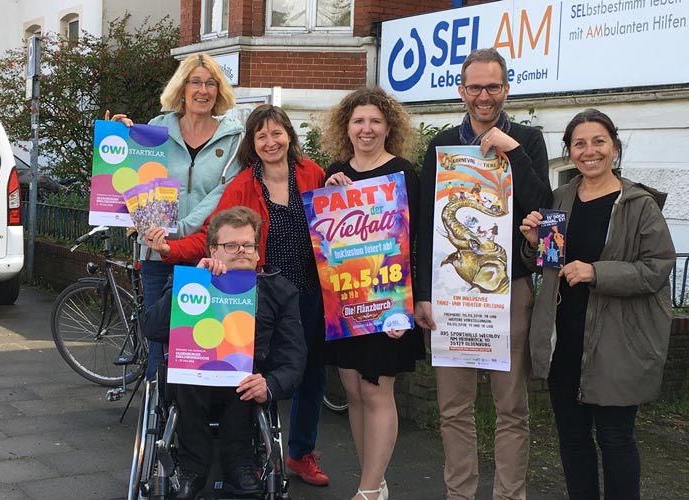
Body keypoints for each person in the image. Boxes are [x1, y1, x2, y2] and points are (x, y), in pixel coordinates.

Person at [144, 105, 331, 486]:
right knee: (221, 368)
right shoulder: (243, 185)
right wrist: (175, 256)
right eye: (261, 135)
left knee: (309, 371)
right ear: (252, 143)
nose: (270, 141)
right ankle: (203, 463)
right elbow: (216, 234)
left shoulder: (312, 173)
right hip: (247, 287)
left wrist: (341, 185)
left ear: (290, 136)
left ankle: (301, 453)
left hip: (300, 288)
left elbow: (334, 216)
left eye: (277, 133)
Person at [414, 48, 552, 500]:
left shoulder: (528, 139)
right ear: (461, 91)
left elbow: (543, 210)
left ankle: (510, 496)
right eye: (474, 87)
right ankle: (460, 495)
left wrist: (512, 153)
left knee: (511, 408)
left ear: (506, 89)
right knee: (454, 409)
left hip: (509, 291)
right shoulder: (441, 144)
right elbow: (423, 224)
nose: (484, 96)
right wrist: (421, 293)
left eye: (493, 86)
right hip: (452, 295)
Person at [519, 109, 675, 500]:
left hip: (617, 343)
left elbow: (657, 269)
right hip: (565, 339)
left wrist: (596, 273)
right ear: (570, 152)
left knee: (615, 439)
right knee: (572, 440)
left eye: (599, 142)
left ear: (615, 148)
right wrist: (533, 244)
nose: (590, 151)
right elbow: (547, 265)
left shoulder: (639, 205)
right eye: (580, 144)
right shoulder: (560, 198)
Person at [141, 206, 307, 499]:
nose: (240, 251)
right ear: (213, 250)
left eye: (247, 245)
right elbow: (151, 328)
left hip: (247, 384)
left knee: (245, 371)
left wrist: (270, 385)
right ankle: (193, 467)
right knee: (187, 369)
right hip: (192, 385)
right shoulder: (191, 281)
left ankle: (239, 463)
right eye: (230, 245)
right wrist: (193, 285)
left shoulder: (280, 291)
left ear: (258, 252)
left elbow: (294, 356)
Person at [108, 53, 244, 381]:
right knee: (158, 341)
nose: (203, 90)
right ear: (181, 89)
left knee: (200, 345)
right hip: (156, 253)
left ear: (219, 91)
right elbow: (130, 177)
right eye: (195, 82)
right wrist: (119, 138)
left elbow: (223, 195)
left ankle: (190, 424)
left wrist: (180, 229)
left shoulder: (235, 137)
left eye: (211, 83)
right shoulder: (156, 130)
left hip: (207, 254)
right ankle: (157, 421)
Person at [320, 86, 425, 500]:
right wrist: (331, 191)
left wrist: (405, 305)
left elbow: (412, 241)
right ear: (347, 127)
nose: (367, 129)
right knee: (353, 391)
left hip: (387, 301)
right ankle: (375, 483)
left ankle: (365, 492)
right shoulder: (335, 171)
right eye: (359, 121)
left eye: (375, 121)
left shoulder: (403, 173)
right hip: (345, 301)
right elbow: (326, 242)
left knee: (377, 389)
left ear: (388, 127)